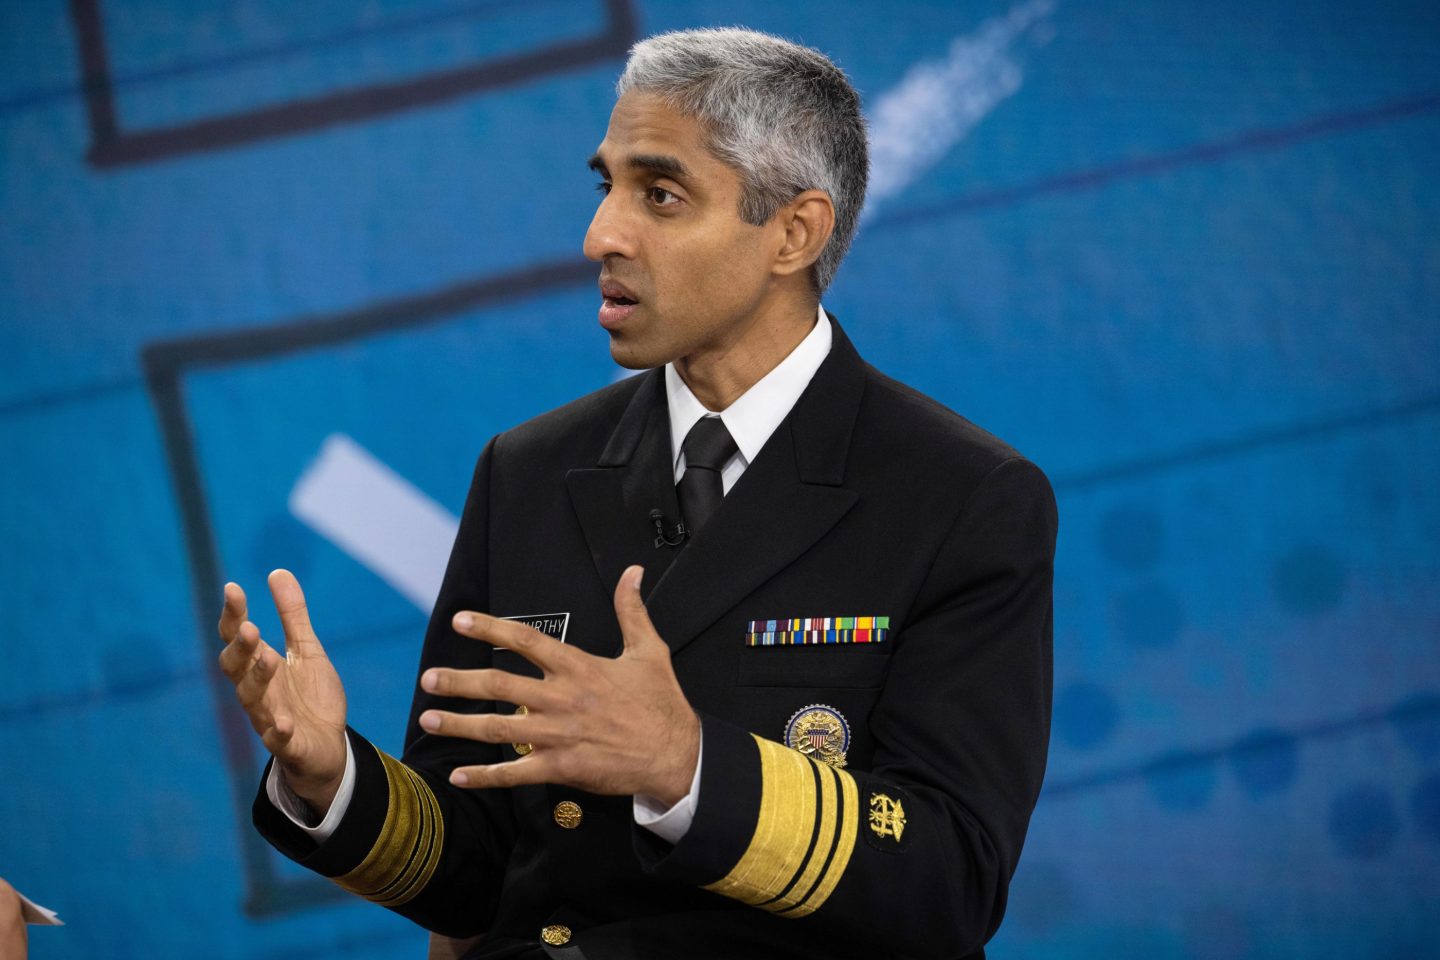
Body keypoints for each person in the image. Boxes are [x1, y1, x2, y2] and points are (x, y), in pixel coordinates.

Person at [220, 27, 1056, 960]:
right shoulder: (528, 469)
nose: (600, 237)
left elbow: (951, 880)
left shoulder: (965, 497)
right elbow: (482, 871)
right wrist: (332, 779)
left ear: (794, 233)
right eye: (605, 187)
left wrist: (684, 765)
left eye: (660, 195)